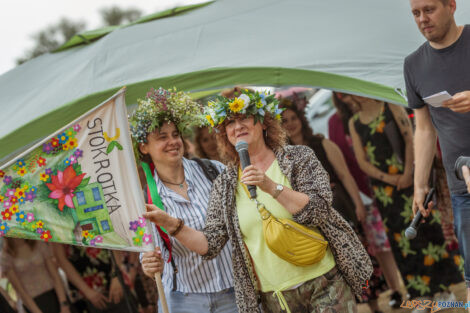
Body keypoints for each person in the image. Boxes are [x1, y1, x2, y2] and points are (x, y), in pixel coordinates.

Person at [144, 89, 372, 313]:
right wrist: (173, 225)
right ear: (225, 134)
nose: (238, 126)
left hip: (325, 283)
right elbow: (210, 244)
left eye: (244, 118)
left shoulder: (298, 157)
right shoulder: (224, 184)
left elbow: (318, 210)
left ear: (263, 123)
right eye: (230, 124)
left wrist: (271, 187)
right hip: (276, 298)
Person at [347, 94, 463, 302]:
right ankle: (420, 294)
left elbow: (410, 138)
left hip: (412, 181)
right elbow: (362, 161)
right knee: (402, 241)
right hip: (385, 192)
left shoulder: (389, 106)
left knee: (427, 229)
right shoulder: (354, 122)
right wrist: (389, 178)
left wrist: (409, 173)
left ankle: (444, 289)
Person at [131, 87, 237, 313]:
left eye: (175, 134)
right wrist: (149, 265)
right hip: (185, 301)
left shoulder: (213, 171)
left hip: (234, 292)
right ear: (144, 147)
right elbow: (148, 256)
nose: (172, 141)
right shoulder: (144, 199)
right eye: (162, 137)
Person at [282, 102, 387, 312]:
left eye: (293, 118)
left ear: (301, 119)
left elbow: (345, 175)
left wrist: (358, 203)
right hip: (311, 217)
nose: (290, 124)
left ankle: (376, 306)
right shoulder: (282, 156)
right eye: (284, 121)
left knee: (357, 256)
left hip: (340, 207)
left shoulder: (322, 144)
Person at [404, 0, 470, 303]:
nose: (422, 19)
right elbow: (425, 129)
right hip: (462, 189)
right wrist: (420, 185)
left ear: (452, 6)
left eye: (429, 9)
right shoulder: (413, 64)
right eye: (416, 13)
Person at [329, 92, 403, 308]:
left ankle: (406, 283)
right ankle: (395, 289)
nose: (345, 96)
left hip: (388, 184)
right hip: (362, 193)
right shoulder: (335, 122)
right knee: (379, 245)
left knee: (395, 240)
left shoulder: (374, 108)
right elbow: (343, 165)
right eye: (339, 93)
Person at [53, 244, 131, 313]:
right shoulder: (56, 229)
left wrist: (116, 276)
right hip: (86, 293)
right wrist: (87, 291)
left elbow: (114, 241)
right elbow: (61, 259)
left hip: (113, 281)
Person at [0, 238, 70, 313]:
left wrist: (64, 304)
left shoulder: (38, 244)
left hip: (56, 295)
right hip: (34, 303)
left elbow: (55, 275)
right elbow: (21, 291)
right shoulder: (5, 257)